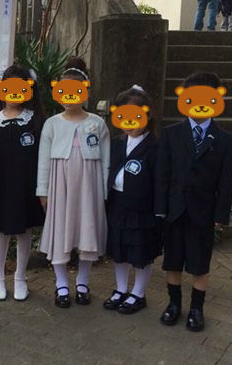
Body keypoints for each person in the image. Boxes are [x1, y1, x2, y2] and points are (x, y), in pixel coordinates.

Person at [155, 72, 232, 332]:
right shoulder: (171, 134)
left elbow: (226, 180)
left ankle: (197, 309)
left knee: (200, 263)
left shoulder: (225, 140)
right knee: (173, 260)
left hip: (204, 212)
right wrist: (160, 208)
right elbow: (162, 174)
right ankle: (174, 304)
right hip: (175, 210)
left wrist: (221, 215)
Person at [37, 57, 110, 308]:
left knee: (87, 229)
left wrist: (104, 190)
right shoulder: (52, 124)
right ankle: (61, 283)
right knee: (60, 230)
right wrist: (43, 190)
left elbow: (106, 160)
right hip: (60, 186)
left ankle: (82, 281)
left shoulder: (97, 123)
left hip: (90, 187)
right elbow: (43, 160)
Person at [0, 65, 45, 302]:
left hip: (28, 187)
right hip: (4, 187)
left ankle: (20, 277)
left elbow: (42, 157)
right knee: (2, 231)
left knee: (25, 231)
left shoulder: (35, 121)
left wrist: (42, 187)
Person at [103, 85, 161, 315]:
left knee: (140, 251)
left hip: (142, 208)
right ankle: (120, 289)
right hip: (117, 204)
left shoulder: (155, 147)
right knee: (119, 249)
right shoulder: (117, 143)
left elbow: (160, 181)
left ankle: (138, 292)